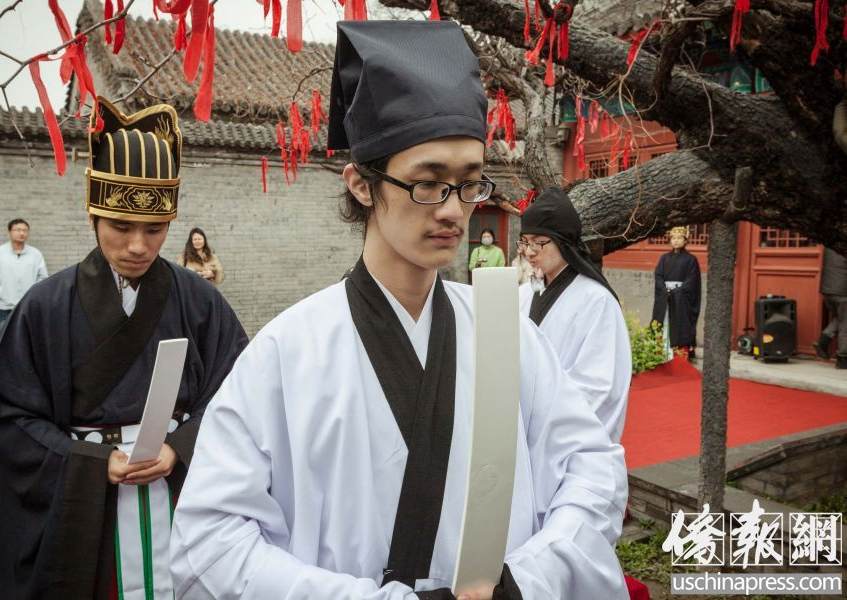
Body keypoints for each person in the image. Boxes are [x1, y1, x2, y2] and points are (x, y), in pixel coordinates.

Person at [171, 21, 628, 600]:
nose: (453, 212)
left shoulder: (506, 336)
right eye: (427, 184)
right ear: (362, 185)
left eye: (468, 184)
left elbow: (592, 472)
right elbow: (210, 539)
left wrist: (524, 580)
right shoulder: (288, 352)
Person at [0, 97, 248, 600]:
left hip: (180, 487)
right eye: (121, 226)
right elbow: (4, 414)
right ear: (94, 215)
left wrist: (181, 448)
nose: (139, 246)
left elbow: (239, 393)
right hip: (87, 494)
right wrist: (87, 461)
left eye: (155, 228)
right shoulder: (44, 306)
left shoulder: (200, 301)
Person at [517, 190, 631, 444]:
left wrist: (538, 416)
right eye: (524, 241)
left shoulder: (597, 301)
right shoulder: (524, 294)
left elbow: (599, 387)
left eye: (538, 242)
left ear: (563, 242)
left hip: (565, 437)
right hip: (524, 427)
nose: (529, 251)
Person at [0, 218, 48, 331]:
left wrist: (33, 296)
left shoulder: (35, 254)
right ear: (9, 232)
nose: (22, 233)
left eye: (25, 230)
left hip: (29, 307)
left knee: (30, 340)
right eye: (17, 230)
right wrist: (3, 294)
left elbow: (43, 277)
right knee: (5, 341)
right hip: (5, 308)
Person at [651, 226, 701, 361]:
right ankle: (660, 353)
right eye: (673, 238)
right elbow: (658, 275)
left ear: (685, 241)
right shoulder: (664, 258)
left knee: (679, 323)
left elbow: (691, 281)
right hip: (665, 296)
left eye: (679, 238)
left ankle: (678, 356)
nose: (676, 241)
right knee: (662, 321)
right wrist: (664, 289)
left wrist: (677, 292)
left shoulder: (691, 260)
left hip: (680, 298)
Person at [813, 247, 847, 369]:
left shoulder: (829, 242)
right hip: (843, 291)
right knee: (845, 325)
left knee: (841, 318)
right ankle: (843, 358)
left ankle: (823, 341)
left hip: (827, 291)